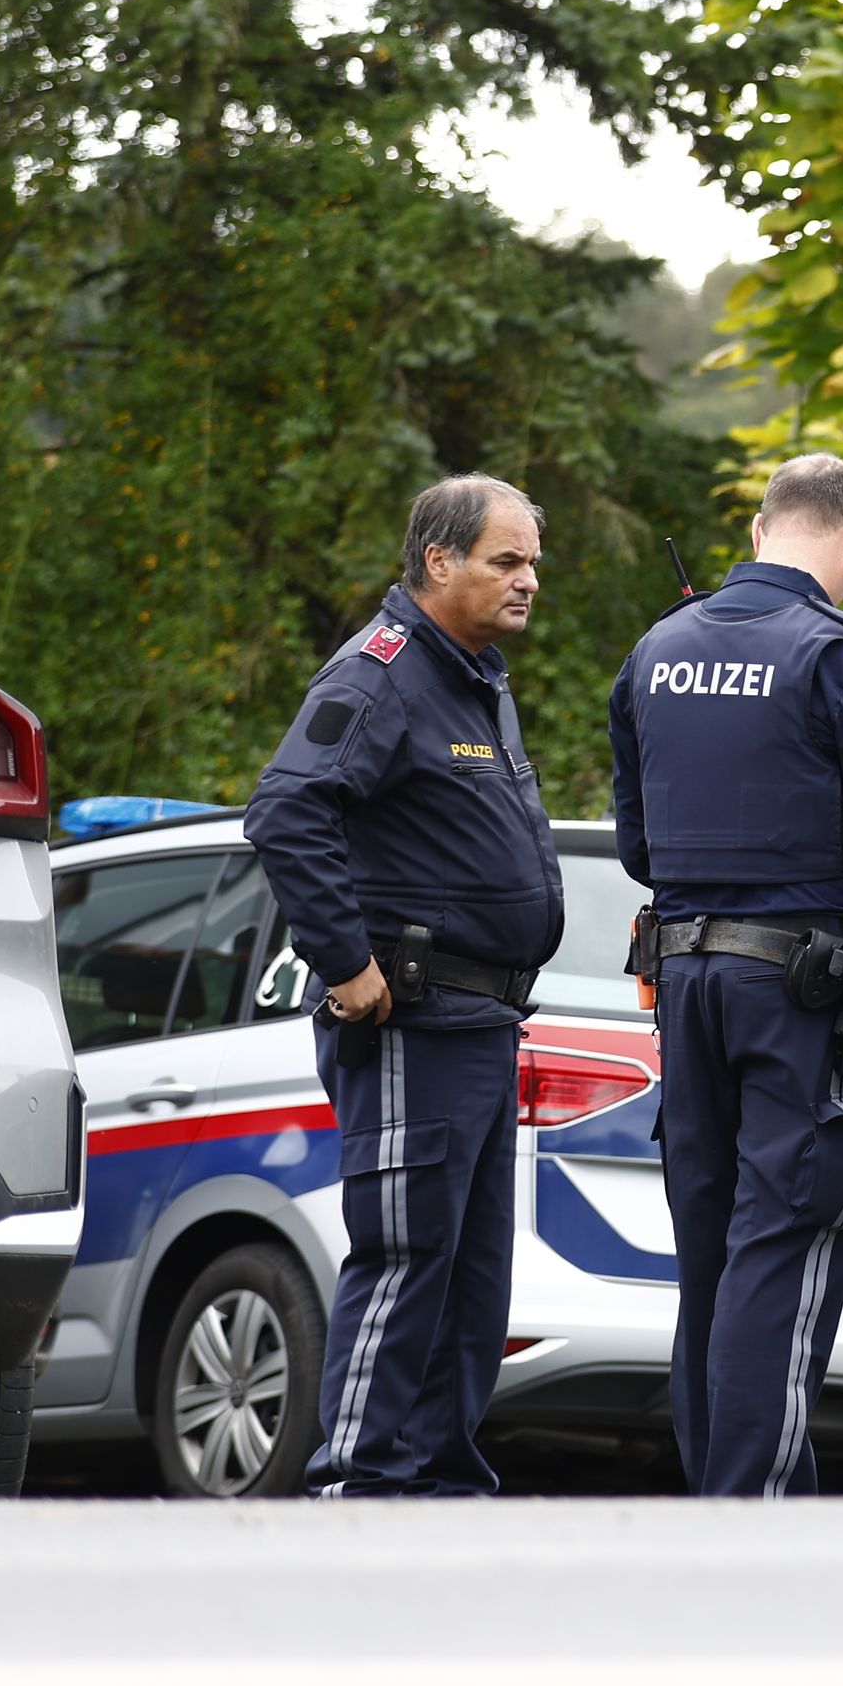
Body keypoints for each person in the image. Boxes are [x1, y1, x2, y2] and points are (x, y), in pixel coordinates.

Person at [607, 453, 843, 1499]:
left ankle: (725, 1493)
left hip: (686, 983)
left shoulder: (657, 648)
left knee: (709, 1258)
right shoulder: (842, 654)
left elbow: (638, 849)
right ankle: (753, 1514)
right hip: (796, 997)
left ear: (760, 531)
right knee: (787, 1239)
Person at [244, 474, 564, 1497]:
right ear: (438, 561)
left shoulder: (472, 674)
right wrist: (346, 964)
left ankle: (437, 1486)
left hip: (480, 1021)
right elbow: (288, 810)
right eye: (504, 561)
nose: (527, 582)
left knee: (472, 1282)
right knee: (404, 1256)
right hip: (413, 1018)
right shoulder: (381, 674)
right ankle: (361, 1484)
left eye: (531, 564)